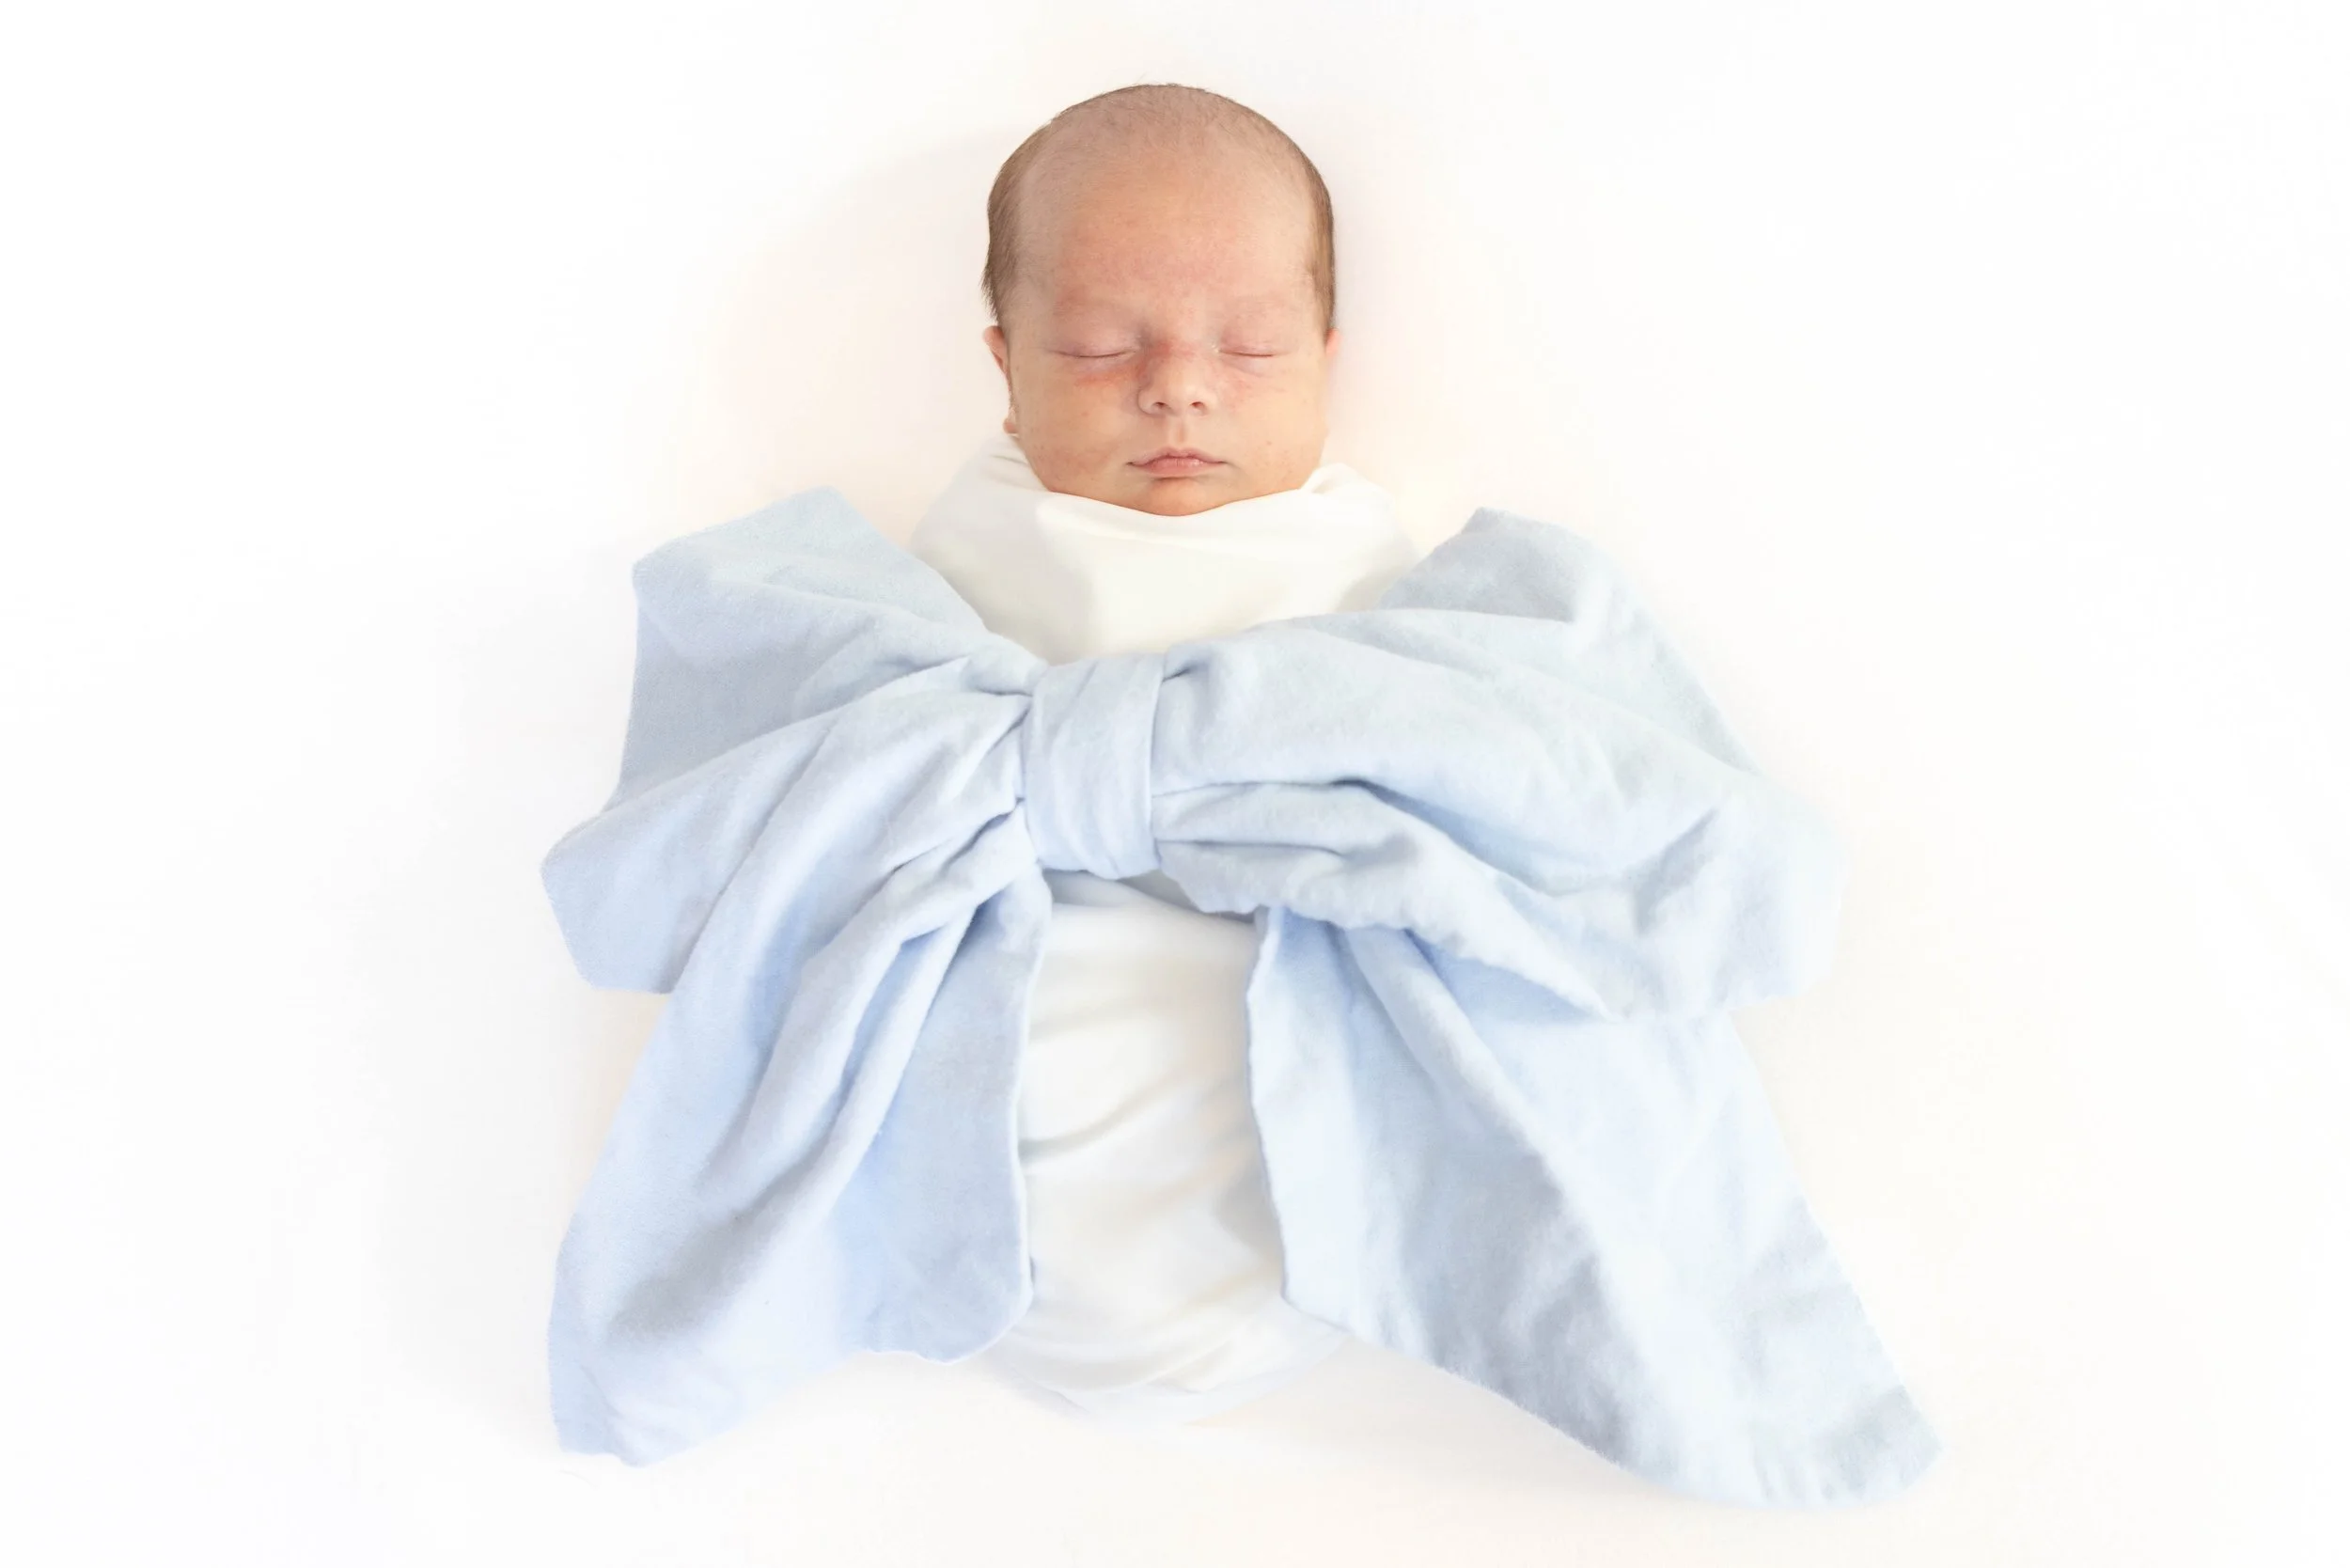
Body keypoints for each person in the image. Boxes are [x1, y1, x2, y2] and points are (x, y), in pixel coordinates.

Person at [905, 83, 1405, 1424]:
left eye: (1248, 348)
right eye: (1092, 348)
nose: (1177, 383)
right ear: (1005, 369)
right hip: (1034, 967)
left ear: (1327, 358)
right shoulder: (957, 558)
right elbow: (870, 748)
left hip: (1272, 993)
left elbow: (1445, 747)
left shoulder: (1359, 563)